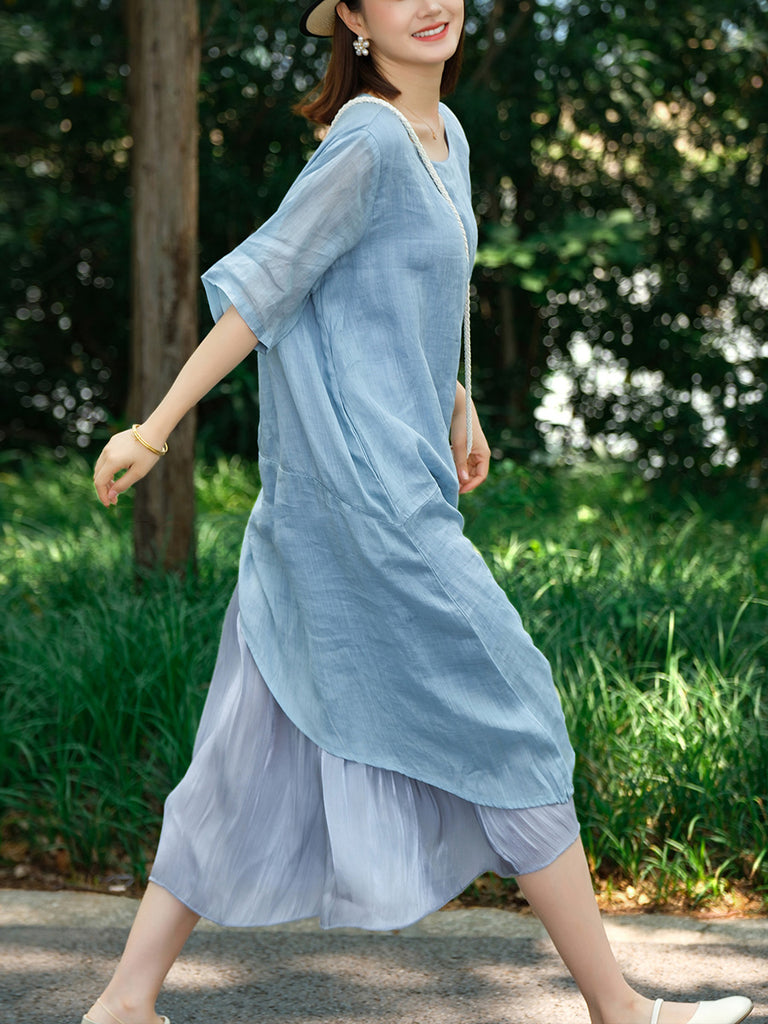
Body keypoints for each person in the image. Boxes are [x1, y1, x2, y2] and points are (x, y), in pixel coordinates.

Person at [87, 3, 753, 1024]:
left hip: (374, 494)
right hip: (368, 506)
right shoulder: (368, 140)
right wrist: (154, 428)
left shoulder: (447, 137)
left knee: (243, 753)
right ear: (355, 19)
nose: (430, 3)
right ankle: (620, 1012)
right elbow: (265, 291)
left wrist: (456, 397)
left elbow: (414, 291)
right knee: (518, 716)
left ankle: (124, 1001)